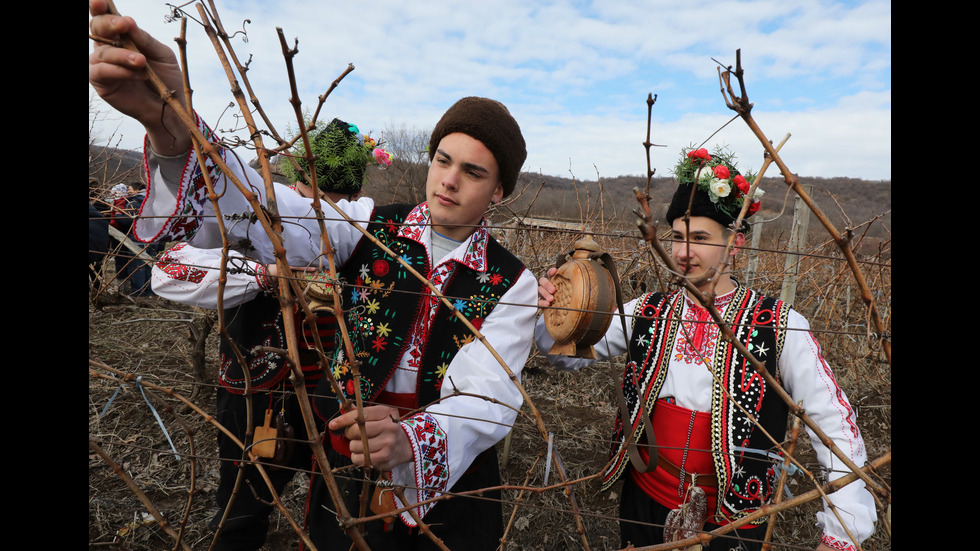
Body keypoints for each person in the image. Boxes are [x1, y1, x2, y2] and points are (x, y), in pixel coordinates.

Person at [89, 4, 538, 550]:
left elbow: (487, 398)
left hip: (449, 485)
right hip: (346, 460)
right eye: (442, 160)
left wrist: (411, 439)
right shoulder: (370, 226)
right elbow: (271, 210)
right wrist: (175, 126)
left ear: (499, 192)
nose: (448, 181)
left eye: (473, 171)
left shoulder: (512, 280)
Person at [535, 147, 876, 551]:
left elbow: (834, 422)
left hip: (733, 522)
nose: (682, 252)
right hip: (643, 503)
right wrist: (561, 308)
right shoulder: (647, 310)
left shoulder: (781, 325)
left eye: (699, 238)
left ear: (735, 243)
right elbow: (563, 354)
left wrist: (844, 531)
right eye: (677, 238)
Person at [149, 118, 380, 551]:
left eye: (336, 198)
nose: (326, 206)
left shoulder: (359, 224)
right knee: (242, 506)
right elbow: (168, 271)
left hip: (336, 398)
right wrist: (265, 274)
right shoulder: (257, 211)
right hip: (257, 395)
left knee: (334, 509)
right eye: (319, 193)